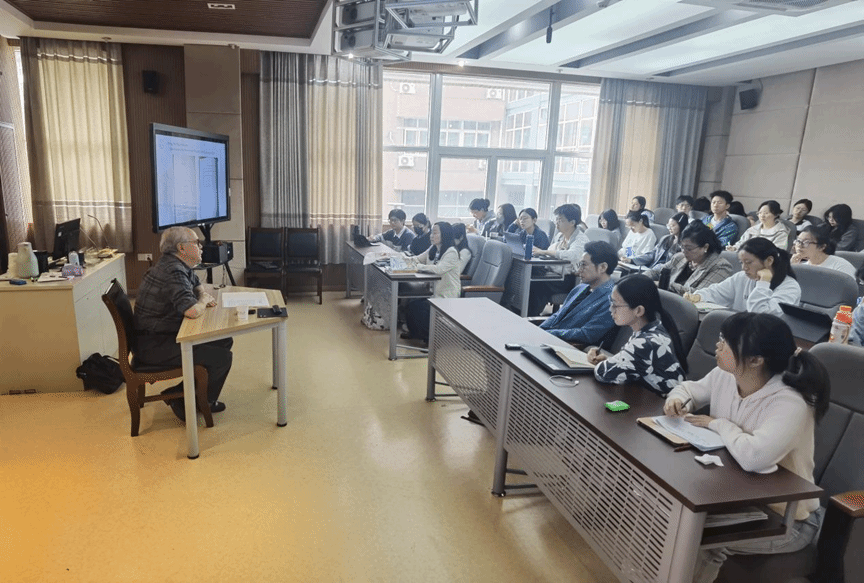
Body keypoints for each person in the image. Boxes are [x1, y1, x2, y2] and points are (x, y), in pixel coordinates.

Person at [664, 312, 830, 583]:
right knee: (669, 513)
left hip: (787, 517)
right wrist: (678, 399)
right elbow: (690, 390)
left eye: (726, 343)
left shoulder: (791, 402)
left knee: (697, 538)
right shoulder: (725, 375)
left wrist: (719, 424)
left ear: (755, 360)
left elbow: (754, 457)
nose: (718, 346)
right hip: (732, 496)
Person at [133, 226, 232, 422]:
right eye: (196, 243)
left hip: (157, 337)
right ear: (181, 248)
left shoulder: (174, 264)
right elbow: (192, 311)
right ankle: (197, 402)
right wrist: (203, 301)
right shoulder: (173, 271)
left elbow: (197, 284)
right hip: (154, 346)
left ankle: (181, 393)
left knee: (223, 340)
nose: (201, 247)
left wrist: (202, 295)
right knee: (222, 358)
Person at [587, 274, 687, 397]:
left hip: (661, 405)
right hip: (649, 399)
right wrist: (609, 360)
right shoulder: (655, 327)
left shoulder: (646, 343)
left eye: (615, 305)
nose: (610, 309)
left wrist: (604, 363)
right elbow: (634, 366)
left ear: (638, 310)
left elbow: (602, 373)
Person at [684, 237, 800, 316]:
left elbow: (758, 314)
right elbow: (716, 292)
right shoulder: (742, 277)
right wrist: (698, 296)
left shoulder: (790, 287)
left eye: (748, 262)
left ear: (769, 260)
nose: (744, 268)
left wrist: (764, 283)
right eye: (741, 263)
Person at [539, 241, 618, 344]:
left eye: (583, 265)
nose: (578, 270)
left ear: (602, 267)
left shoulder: (611, 300)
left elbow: (587, 334)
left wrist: (548, 334)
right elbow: (558, 315)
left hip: (567, 346)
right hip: (551, 339)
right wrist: (539, 330)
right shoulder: (580, 288)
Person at [404, 222, 462, 343]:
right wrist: (400, 259)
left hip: (445, 294)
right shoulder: (433, 248)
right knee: (411, 304)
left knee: (421, 308)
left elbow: (439, 269)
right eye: (431, 233)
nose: (431, 236)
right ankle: (415, 333)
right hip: (432, 291)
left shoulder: (451, 252)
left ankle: (430, 341)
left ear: (444, 234)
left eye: (435, 233)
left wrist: (418, 267)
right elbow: (417, 259)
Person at [529, 203, 589, 316]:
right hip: (555, 273)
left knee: (537, 283)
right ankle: (520, 311)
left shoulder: (581, 239)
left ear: (572, 222)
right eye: (556, 219)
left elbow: (571, 255)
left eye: (560, 220)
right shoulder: (560, 236)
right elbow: (551, 251)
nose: (557, 222)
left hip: (569, 279)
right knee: (530, 275)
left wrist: (544, 252)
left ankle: (531, 315)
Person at [645, 222, 733, 295]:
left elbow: (699, 294)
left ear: (705, 247)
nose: (684, 251)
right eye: (682, 246)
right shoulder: (679, 258)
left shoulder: (721, 266)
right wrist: (642, 278)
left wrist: (664, 284)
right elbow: (656, 272)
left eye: (689, 248)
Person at [621, 212, 688, 270]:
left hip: (666, 272)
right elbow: (652, 254)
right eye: (668, 225)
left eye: (672, 226)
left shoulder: (684, 245)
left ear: (681, 226)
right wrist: (632, 260)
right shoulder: (665, 239)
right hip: (653, 268)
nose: (669, 228)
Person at [790, 225, 857, 279]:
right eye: (798, 241)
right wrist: (792, 268)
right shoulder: (801, 267)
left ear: (822, 247)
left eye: (806, 242)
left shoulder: (840, 266)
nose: (799, 245)